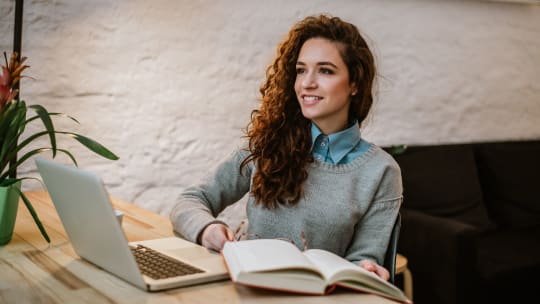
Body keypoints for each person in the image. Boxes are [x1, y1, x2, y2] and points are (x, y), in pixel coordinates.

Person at [170, 14, 402, 281]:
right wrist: (206, 229)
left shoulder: (381, 171)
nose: (306, 83)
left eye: (325, 70)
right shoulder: (267, 144)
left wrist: (367, 269)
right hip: (242, 290)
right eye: (301, 70)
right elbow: (189, 201)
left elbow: (364, 258)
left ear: (354, 84)